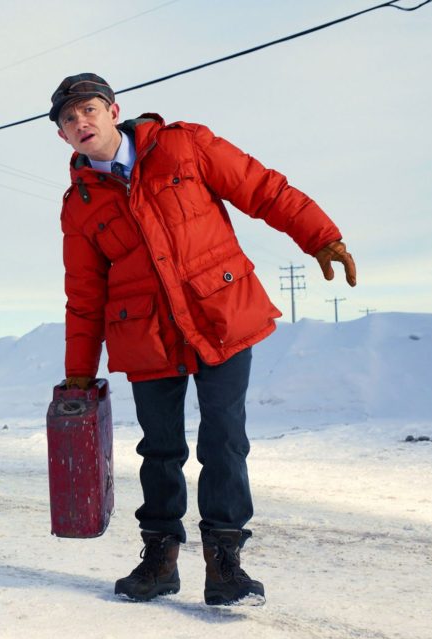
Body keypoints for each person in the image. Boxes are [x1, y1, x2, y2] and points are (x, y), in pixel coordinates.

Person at [50, 73, 356, 605]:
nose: (81, 122)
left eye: (90, 109)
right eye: (68, 119)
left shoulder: (183, 144)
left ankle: (225, 563)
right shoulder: (79, 203)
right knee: (160, 449)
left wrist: (320, 235)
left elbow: (262, 188)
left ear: (114, 110)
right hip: (144, 333)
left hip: (221, 312)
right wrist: (80, 370)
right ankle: (160, 559)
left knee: (224, 439)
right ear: (61, 136)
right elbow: (83, 294)